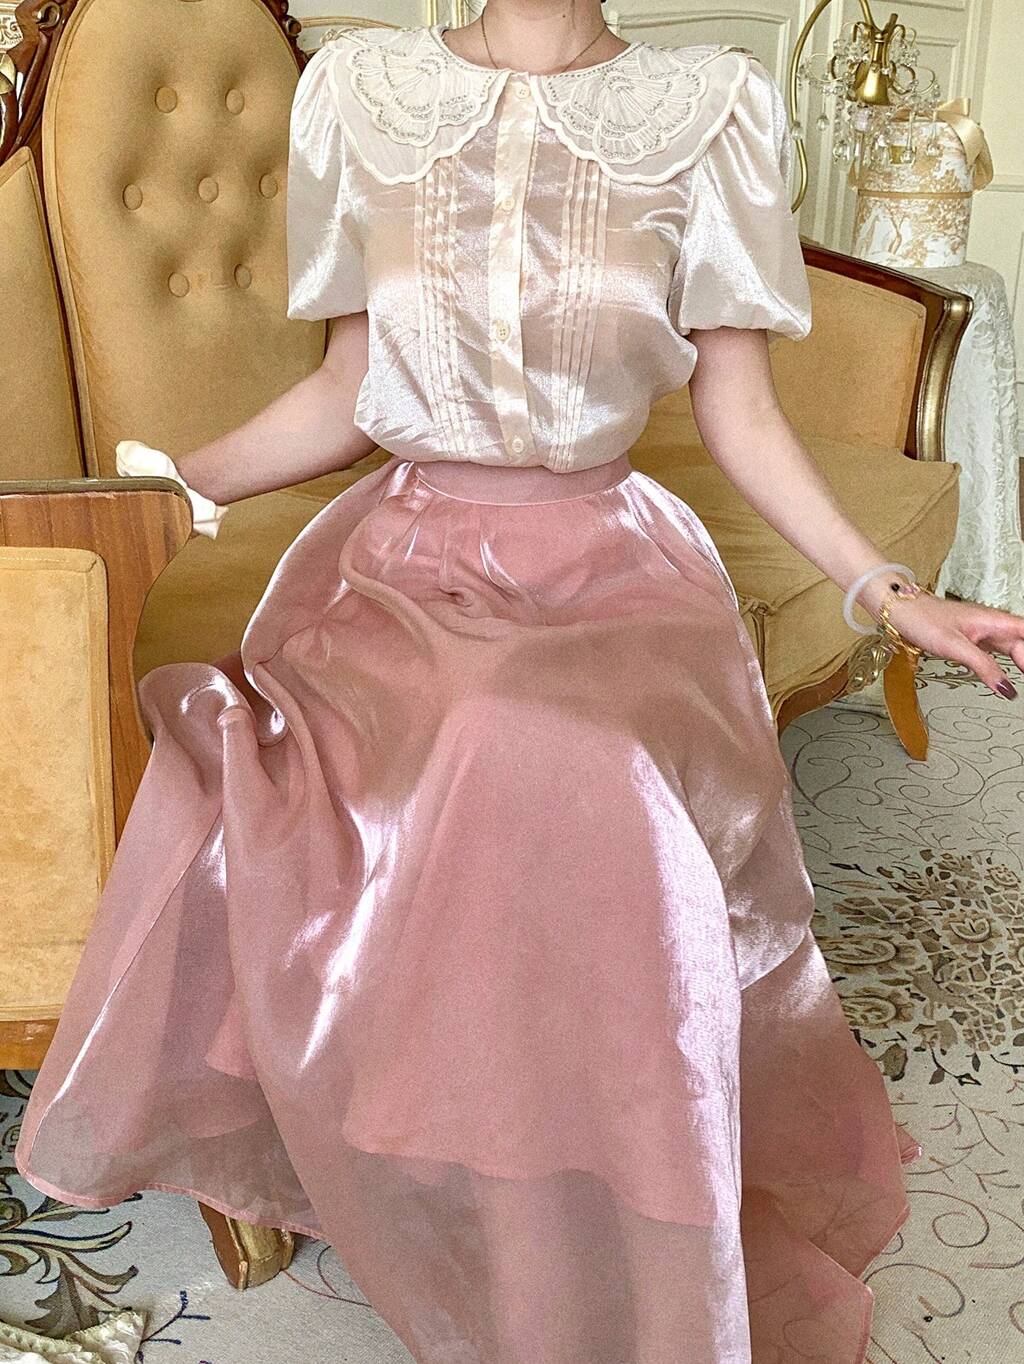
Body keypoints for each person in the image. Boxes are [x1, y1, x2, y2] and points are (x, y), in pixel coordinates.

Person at [15, 3, 1024, 1361]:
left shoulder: (708, 107)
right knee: (440, 748)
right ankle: (458, 1167)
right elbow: (350, 388)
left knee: (569, 755)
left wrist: (889, 594)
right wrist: (167, 492)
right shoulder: (360, 93)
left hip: (615, 571)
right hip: (402, 565)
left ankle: (599, 1196)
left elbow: (739, 407)